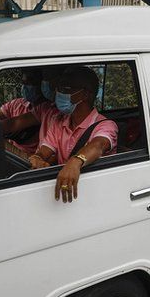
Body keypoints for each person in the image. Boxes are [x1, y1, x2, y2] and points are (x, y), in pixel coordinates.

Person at [29, 65, 118, 203]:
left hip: (99, 195)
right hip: (67, 194)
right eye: (59, 88)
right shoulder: (59, 123)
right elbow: (44, 152)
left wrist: (75, 162)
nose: (58, 93)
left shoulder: (105, 125)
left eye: (66, 89)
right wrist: (37, 158)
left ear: (85, 95)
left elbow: (98, 145)